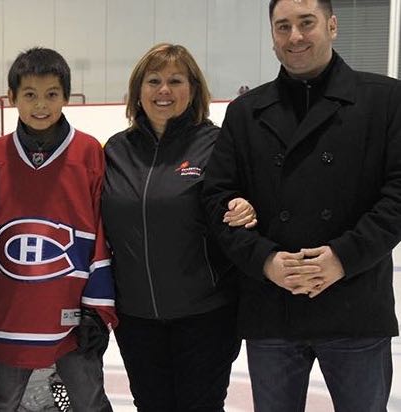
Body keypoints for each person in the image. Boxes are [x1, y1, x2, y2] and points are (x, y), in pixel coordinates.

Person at [202, 0, 401, 411]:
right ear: (273, 37)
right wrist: (266, 261)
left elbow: (397, 196)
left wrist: (342, 258)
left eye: (306, 23)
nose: (295, 36)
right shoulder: (245, 113)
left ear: (331, 25)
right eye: (283, 27)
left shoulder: (385, 100)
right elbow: (216, 199)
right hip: (273, 310)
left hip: (355, 305)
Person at [101, 43, 257, 411]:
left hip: (205, 317)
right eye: (153, 80)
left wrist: (247, 206)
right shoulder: (115, 151)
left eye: (175, 80)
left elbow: (246, 199)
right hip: (136, 319)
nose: (164, 90)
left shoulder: (217, 145)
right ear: (138, 90)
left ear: (194, 88)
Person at [0, 47, 117, 412]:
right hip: (11, 311)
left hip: (71, 310)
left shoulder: (88, 152)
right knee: (3, 400)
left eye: (51, 94)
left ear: (67, 97)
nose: (41, 104)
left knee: (89, 400)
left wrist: (97, 308)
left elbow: (101, 232)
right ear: (12, 99)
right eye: (30, 95)